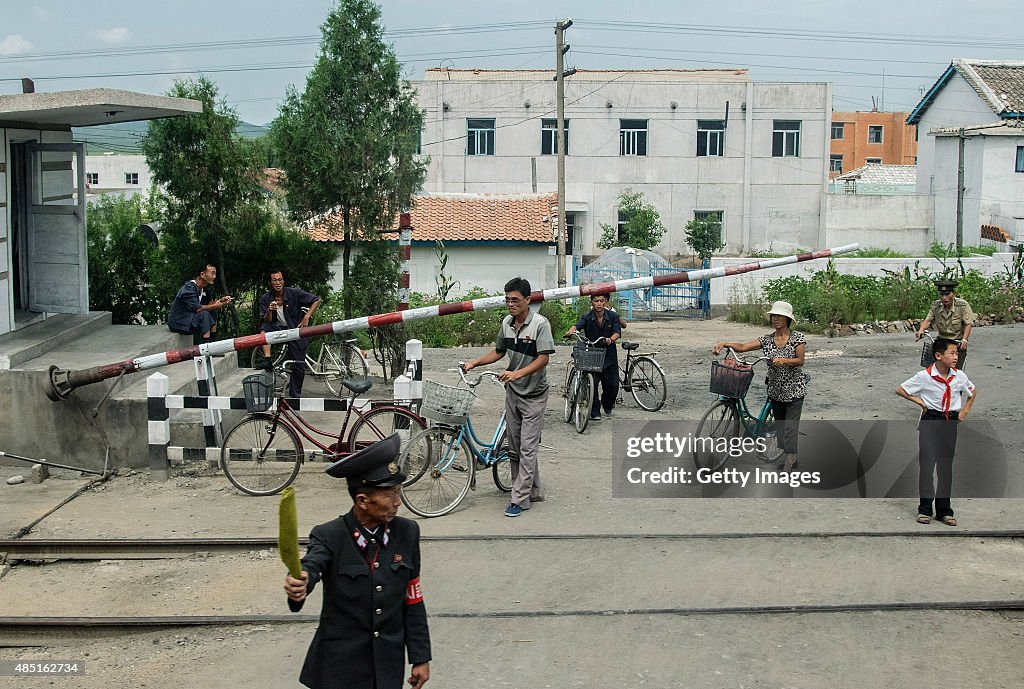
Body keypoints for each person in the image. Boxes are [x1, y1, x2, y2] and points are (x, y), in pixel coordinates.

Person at [284, 434, 431, 689]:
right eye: (390, 494)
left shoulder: (407, 533)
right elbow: (313, 564)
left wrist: (420, 657)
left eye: (399, 491)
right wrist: (301, 583)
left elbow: (413, 599)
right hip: (339, 670)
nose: (398, 502)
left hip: (387, 668)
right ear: (363, 501)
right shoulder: (329, 535)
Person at [464, 277, 555, 518]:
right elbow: (499, 351)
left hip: (534, 394)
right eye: (507, 300)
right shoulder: (506, 323)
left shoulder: (540, 325)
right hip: (513, 393)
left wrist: (517, 373)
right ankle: (532, 490)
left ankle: (519, 499)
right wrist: (474, 362)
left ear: (528, 300)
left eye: (515, 300)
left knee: (527, 446)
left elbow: (544, 358)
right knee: (516, 447)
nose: (510, 304)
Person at [713, 300, 807, 472]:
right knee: (780, 431)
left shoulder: (797, 338)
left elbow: (800, 360)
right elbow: (743, 347)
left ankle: (791, 464)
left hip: (794, 390)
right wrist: (725, 343)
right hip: (775, 390)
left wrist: (784, 360)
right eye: (773, 316)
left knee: (790, 429)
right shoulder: (766, 339)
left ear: (788, 319)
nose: (775, 319)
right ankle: (790, 458)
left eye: (779, 316)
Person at [896, 338, 977, 526]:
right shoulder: (924, 376)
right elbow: (901, 390)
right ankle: (924, 509)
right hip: (931, 420)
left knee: (945, 468)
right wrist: (920, 402)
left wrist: (964, 411)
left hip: (949, 422)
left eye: (957, 353)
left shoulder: (960, 376)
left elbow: (972, 392)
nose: (956, 356)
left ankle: (944, 511)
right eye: (952, 353)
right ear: (938, 356)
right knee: (927, 466)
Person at [258, 270, 321, 397]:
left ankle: (295, 395)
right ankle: (268, 359)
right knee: (264, 329)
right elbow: (265, 320)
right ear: (270, 283)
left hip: (295, 329)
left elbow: (317, 300)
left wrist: (307, 316)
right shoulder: (266, 298)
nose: (278, 282)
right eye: (274, 280)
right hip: (278, 329)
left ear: (283, 281)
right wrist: (269, 311)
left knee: (298, 365)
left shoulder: (294, 293)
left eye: (280, 279)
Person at [565, 293, 622, 421]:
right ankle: (594, 411)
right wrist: (571, 331)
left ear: (606, 302)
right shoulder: (587, 317)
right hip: (592, 354)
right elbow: (577, 326)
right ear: (591, 302)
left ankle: (607, 404)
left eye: (602, 301)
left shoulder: (613, 316)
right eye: (596, 301)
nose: (599, 303)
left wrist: (610, 339)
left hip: (609, 355)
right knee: (593, 383)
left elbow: (617, 332)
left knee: (612, 385)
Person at [915, 278, 975, 370]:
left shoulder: (962, 305)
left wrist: (964, 340)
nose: (944, 298)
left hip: (956, 341)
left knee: (955, 371)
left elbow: (968, 324)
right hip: (941, 341)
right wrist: (921, 330)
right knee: (933, 369)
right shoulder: (936, 306)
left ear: (953, 294)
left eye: (947, 294)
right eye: (942, 294)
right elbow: (928, 320)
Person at [166, 263, 232, 342]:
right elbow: (198, 309)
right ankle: (206, 349)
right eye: (212, 273)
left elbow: (208, 305)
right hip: (179, 322)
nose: (214, 277)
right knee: (204, 314)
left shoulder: (203, 289)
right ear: (202, 274)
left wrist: (220, 301)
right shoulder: (189, 288)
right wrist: (215, 306)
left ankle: (213, 344)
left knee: (212, 312)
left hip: (190, 319)